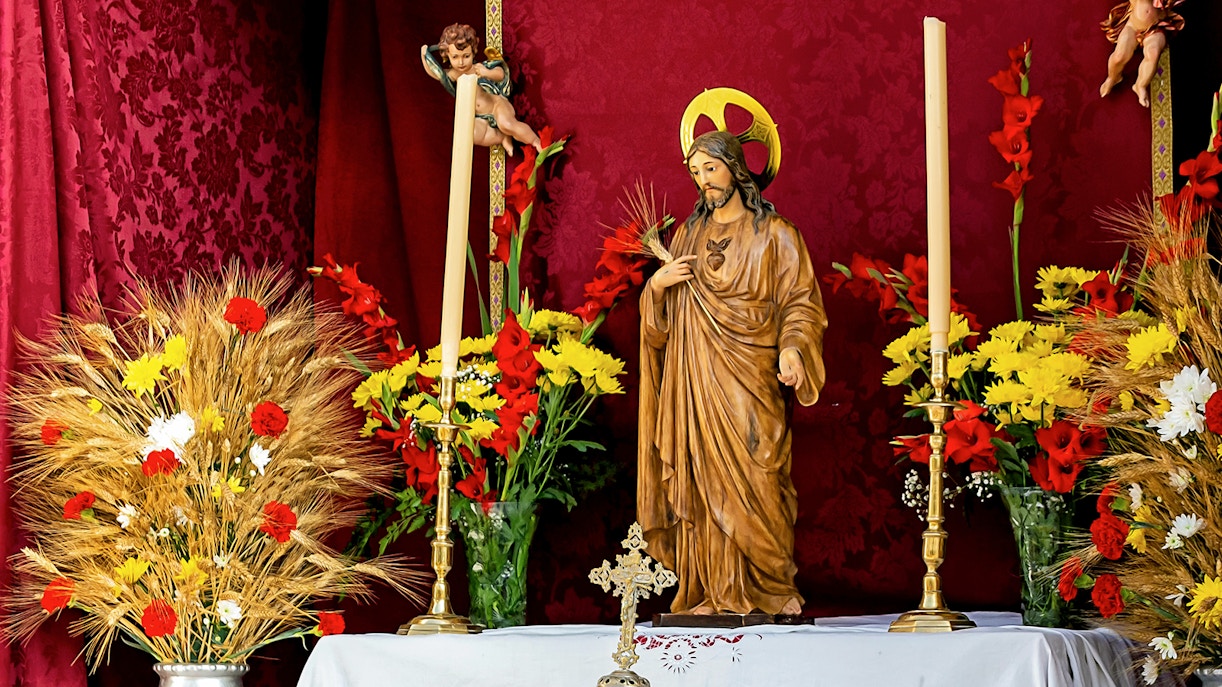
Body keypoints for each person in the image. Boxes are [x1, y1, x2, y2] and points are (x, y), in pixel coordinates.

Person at [637, 131, 827, 617]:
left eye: (711, 168)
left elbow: (801, 302)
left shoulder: (777, 234)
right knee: (702, 481)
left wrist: (792, 348)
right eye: (695, 171)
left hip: (752, 379)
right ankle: (709, 591)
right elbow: (662, 326)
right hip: (695, 383)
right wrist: (656, 288)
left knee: (759, 474)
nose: (703, 180)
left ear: (736, 168)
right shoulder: (687, 235)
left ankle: (769, 588)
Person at [420, 23, 542, 155]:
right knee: (470, 135)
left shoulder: (478, 68)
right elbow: (436, 73)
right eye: (455, 57)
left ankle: (536, 141)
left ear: (473, 52)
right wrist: (424, 56)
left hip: (496, 106)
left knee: (507, 124)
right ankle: (501, 136)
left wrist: (486, 73)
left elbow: (500, 73)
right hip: (481, 116)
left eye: (466, 56)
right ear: (447, 55)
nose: (461, 62)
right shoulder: (453, 74)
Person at [1099, 0, 1185, 108]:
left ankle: (1140, 85)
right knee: (1119, 56)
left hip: (1155, 28)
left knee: (1153, 53)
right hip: (1134, 26)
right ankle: (1113, 77)